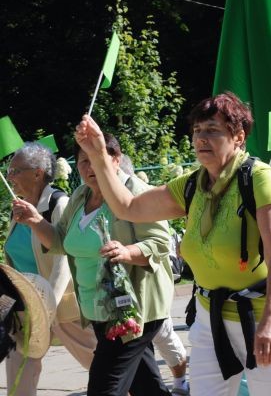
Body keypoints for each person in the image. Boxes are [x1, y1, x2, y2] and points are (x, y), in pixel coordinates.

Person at [70, 92, 271, 396]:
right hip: (210, 318)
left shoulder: (260, 179)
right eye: (196, 131)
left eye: (212, 130)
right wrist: (98, 154)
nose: (201, 138)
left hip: (262, 316)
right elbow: (128, 206)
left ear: (239, 136)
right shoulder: (192, 184)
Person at [12, 134, 174, 396]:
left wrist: (127, 251)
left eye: (96, 158)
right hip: (97, 308)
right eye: (83, 161)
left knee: (103, 388)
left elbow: (160, 242)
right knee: (147, 387)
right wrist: (34, 221)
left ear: (116, 159)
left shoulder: (136, 192)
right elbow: (62, 242)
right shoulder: (80, 195)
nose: (89, 167)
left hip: (132, 309)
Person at [4, 142, 96, 396]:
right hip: (26, 308)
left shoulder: (59, 204)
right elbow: (14, 255)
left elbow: (63, 260)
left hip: (62, 306)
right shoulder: (19, 208)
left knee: (103, 368)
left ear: (37, 173)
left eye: (15, 171)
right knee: (20, 376)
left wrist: (48, 307)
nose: (10, 177)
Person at [120, 154, 191, 396]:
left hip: (149, 288)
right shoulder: (91, 198)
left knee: (163, 336)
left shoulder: (141, 194)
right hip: (119, 294)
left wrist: (128, 252)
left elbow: (160, 242)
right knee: (138, 358)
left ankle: (181, 382)